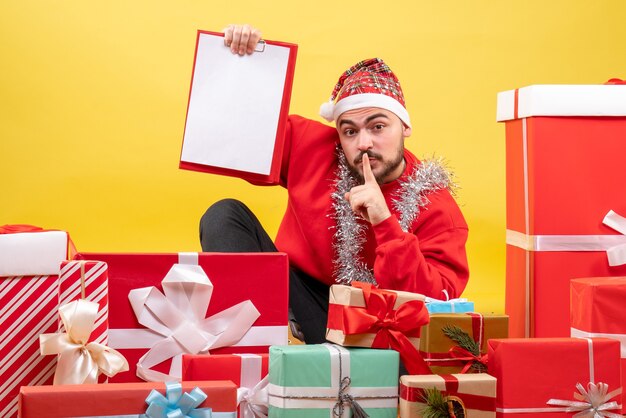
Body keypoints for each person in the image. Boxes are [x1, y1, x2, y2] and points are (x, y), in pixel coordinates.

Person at [200, 24, 469, 344]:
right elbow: (240, 137)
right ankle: (256, 339)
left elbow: (429, 305)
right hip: (294, 291)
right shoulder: (313, 146)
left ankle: (325, 355)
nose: (364, 143)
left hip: (371, 323)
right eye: (350, 131)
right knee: (224, 215)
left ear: (405, 126)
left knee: (389, 367)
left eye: (378, 126)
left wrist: (385, 223)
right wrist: (245, 65)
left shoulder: (438, 208)